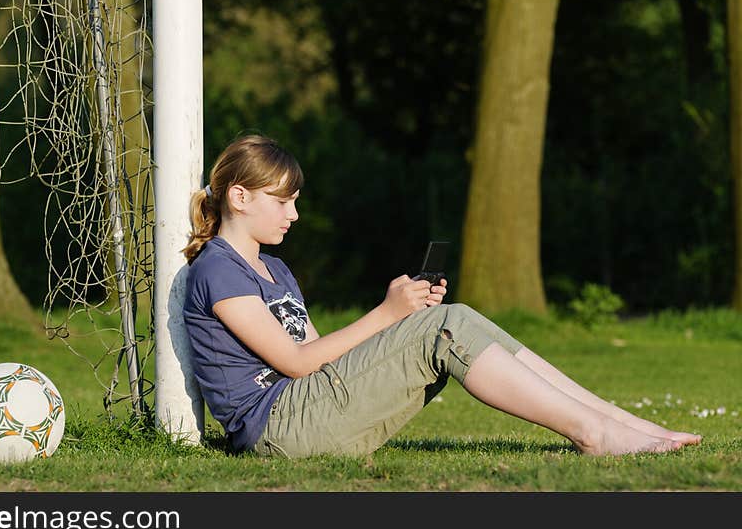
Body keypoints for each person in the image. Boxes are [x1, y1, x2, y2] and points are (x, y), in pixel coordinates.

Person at [182, 134, 703, 459]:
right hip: (280, 428)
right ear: (240, 196)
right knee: (444, 326)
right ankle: (595, 432)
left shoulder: (273, 268)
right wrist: (387, 314)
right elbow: (295, 363)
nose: (293, 215)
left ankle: (615, 421)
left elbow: (322, 360)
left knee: (454, 318)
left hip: (309, 409)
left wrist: (399, 320)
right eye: (284, 202)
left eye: (296, 202)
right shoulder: (218, 270)